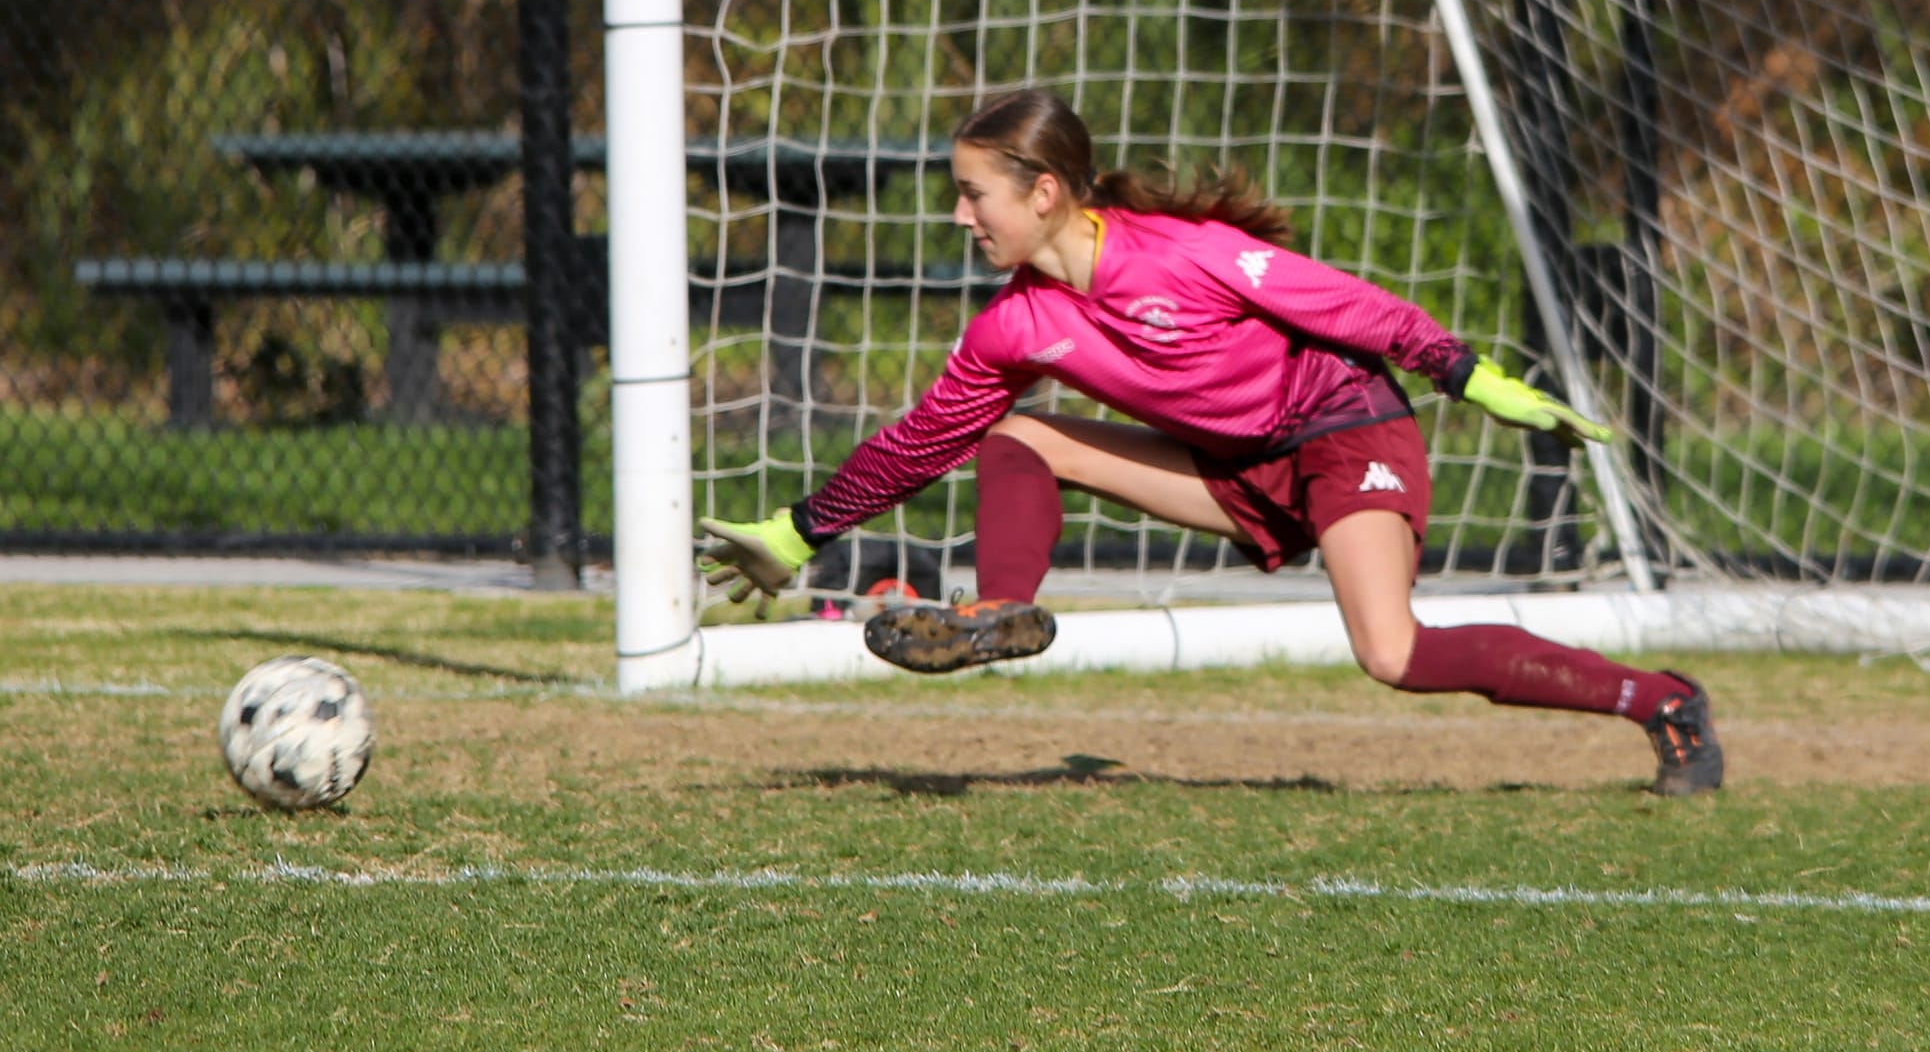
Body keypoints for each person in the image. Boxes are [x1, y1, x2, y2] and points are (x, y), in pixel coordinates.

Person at [699, 90, 1723, 795]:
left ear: (1043, 192)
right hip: (1235, 467)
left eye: (975, 192)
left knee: (1392, 651)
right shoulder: (1013, 323)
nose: (961, 213)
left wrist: (1467, 373)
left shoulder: (1180, 255)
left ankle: (1664, 701)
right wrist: (798, 531)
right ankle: (1002, 608)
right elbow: (922, 440)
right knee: (1018, 434)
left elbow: (1348, 304)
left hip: (1341, 428)